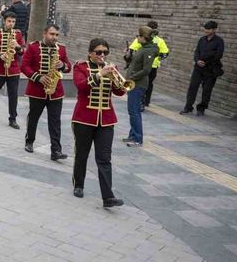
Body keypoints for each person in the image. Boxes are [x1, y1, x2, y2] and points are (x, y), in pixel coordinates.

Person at [71, 39, 127, 208]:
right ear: (90, 53)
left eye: (105, 52)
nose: (102, 55)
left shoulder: (112, 68)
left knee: (104, 158)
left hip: (106, 120)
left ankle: (108, 197)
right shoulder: (80, 67)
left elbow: (119, 91)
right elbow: (81, 86)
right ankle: (79, 184)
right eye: (98, 52)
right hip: (83, 118)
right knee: (82, 154)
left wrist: (119, 82)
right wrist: (99, 74)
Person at [22, 24, 72, 161]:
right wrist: (38, 77)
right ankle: (29, 141)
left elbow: (69, 67)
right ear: (44, 33)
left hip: (55, 91)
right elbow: (24, 66)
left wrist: (63, 65)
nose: (54, 37)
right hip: (37, 90)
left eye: (56, 35)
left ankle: (56, 150)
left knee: (55, 121)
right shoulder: (33, 47)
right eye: (52, 34)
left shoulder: (61, 49)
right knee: (33, 117)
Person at [0, 11, 25, 127]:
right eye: (9, 21)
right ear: (4, 21)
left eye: (13, 21)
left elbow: (22, 51)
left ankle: (12, 119)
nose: (11, 24)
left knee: (13, 95)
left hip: (13, 69)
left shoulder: (18, 34)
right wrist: (0, 55)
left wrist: (17, 46)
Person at [122, 26, 158, 148]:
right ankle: (132, 135)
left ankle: (137, 139)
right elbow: (134, 63)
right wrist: (127, 56)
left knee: (134, 111)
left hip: (138, 84)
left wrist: (132, 77)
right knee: (132, 110)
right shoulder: (143, 48)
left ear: (144, 37)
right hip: (133, 83)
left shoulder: (149, 50)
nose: (136, 37)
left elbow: (146, 69)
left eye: (138, 35)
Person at [181, 21, 224, 116]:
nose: (206, 31)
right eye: (205, 29)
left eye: (208, 29)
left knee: (207, 90)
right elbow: (197, 52)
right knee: (192, 87)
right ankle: (188, 107)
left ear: (214, 30)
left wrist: (206, 62)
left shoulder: (219, 41)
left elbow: (218, 55)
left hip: (211, 69)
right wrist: (197, 61)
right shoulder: (202, 39)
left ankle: (201, 108)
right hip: (198, 68)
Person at [126, 21, 169, 110]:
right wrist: (157, 59)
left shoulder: (142, 38)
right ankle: (146, 102)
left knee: (139, 83)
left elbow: (131, 50)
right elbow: (165, 53)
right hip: (154, 66)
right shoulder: (160, 40)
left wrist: (132, 59)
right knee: (149, 84)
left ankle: (137, 100)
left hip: (140, 67)